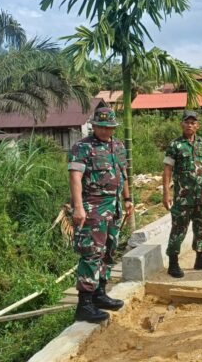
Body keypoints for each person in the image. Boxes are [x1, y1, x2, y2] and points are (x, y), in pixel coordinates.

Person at [68, 106, 134, 323]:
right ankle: (85, 304)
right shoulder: (82, 147)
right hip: (93, 209)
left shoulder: (118, 146)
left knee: (108, 251)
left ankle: (100, 294)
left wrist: (127, 199)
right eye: (101, 127)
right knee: (92, 253)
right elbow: (75, 178)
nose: (106, 131)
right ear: (94, 126)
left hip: (113, 208)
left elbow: (123, 174)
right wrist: (78, 207)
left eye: (109, 127)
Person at [163, 110, 202, 278]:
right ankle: (173, 263)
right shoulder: (175, 145)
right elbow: (167, 169)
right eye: (187, 122)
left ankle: (201, 258)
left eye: (193, 123)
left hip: (201, 195)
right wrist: (166, 193)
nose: (190, 125)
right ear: (182, 124)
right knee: (178, 229)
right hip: (183, 197)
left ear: (197, 126)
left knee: (201, 227)